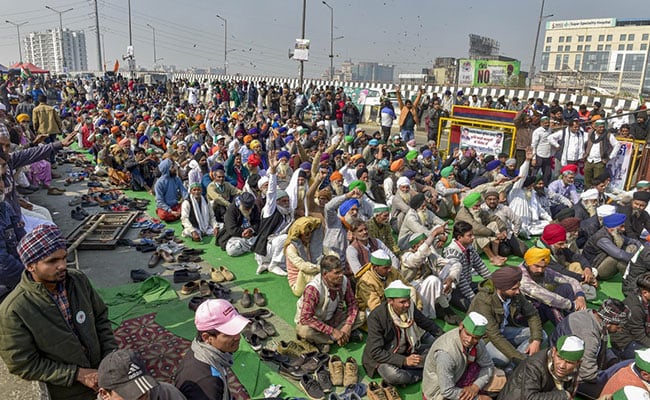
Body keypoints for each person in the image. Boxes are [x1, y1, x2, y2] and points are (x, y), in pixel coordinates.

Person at [0, 224, 117, 400]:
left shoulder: (77, 280)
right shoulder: (15, 309)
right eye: (52, 261)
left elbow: (100, 319)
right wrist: (77, 374)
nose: (62, 265)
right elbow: (22, 363)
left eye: (64, 258)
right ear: (31, 266)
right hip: (67, 389)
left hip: (103, 372)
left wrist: (109, 359)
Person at [362, 280, 444, 386]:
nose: (407, 305)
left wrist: (445, 339)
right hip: (386, 357)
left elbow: (427, 324)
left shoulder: (410, 307)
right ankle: (423, 372)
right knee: (393, 375)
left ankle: (416, 371)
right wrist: (404, 361)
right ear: (390, 301)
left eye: (408, 300)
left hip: (408, 350)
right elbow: (376, 352)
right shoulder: (376, 317)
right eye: (402, 302)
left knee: (438, 351)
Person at [550, 298, 631, 399]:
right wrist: (613, 374)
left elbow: (602, 348)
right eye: (619, 327)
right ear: (609, 323)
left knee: (621, 362)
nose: (620, 330)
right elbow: (588, 374)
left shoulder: (593, 316)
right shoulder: (588, 335)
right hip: (570, 376)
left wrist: (613, 362)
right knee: (618, 388)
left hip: (581, 365)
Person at [467, 266, 545, 371]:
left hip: (502, 330)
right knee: (503, 358)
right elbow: (494, 335)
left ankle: (513, 368)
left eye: (518, 287)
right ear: (501, 288)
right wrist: (520, 358)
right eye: (514, 289)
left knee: (541, 335)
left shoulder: (514, 293)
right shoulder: (484, 300)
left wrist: (536, 340)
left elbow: (532, 314)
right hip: (484, 338)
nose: (518, 292)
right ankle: (520, 363)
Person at [175, 299, 251, 400]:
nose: (238, 337)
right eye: (228, 334)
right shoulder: (208, 382)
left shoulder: (201, 349)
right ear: (206, 337)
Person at [422, 312, 503, 400]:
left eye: (475, 338)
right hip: (440, 392)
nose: (469, 340)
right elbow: (447, 391)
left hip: (462, 373)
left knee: (501, 379)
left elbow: (488, 365)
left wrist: (475, 387)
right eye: (467, 334)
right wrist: (477, 398)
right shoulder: (446, 354)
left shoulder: (478, 343)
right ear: (461, 326)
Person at [294, 255, 364, 352]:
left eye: (342, 271)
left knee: (362, 316)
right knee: (304, 331)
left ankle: (326, 340)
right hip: (316, 323)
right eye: (337, 273)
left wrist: (347, 326)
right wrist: (333, 331)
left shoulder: (344, 280)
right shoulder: (313, 288)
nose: (341, 275)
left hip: (334, 319)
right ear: (325, 274)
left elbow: (352, 303)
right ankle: (336, 338)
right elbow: (305, 318)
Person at [497, 335, 584, 400]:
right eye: (559, 358)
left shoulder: (575, 371)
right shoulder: (534, 365)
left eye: (569, 362)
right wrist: (564, 395)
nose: (562, 365)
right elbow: (529, 397)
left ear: (578, 363)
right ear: (553, 352)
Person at [401, 232, 462, 324]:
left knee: (450, 267)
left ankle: (440, 306)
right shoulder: (406, 256)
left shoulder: (430, 255)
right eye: (423, 243)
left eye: (427, 242)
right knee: (432, 280)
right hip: (413, 290)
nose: (427, 245)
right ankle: (445, 310)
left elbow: (454, 264)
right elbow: (416, 260)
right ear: (414, 247)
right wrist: (433, 234)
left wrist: (451, 278)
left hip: (429, 287)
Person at [518, 247, 587, 325]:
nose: (540, 270)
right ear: (528, 263)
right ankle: (566, 329)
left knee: (567, 287)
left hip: (540, 306)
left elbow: (570, 280)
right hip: (525, 316)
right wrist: (572, 305)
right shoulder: (521, 278)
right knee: (550, 305)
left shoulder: (544, 271)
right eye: (537, 266)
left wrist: (580, 296)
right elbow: (547, 298)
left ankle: (578, 319)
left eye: (543, 267)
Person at [443, 221, 492, 312]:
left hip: (468, 284)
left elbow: (480, 266)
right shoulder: (452, 253)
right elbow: (461, 281)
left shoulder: (469, 247)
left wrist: (492, 281)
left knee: (491, 288)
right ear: (459, 237)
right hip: (455, 289)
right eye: (469, 235)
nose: (473, 238)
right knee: (474, 308)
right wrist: (473, 298)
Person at [98, 349, 186, 400]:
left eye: (144, 396)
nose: (141, 397)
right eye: (132, 396)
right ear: (105, 394)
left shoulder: (167, 393)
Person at [355, 248, 421, 315]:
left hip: (393, 303)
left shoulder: (392, 271)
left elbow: (407, 286)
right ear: (375, 267)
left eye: (390, 266)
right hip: (373, 309)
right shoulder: (366, 281)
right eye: (386, 268)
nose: (389, 270)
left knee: (411, 290)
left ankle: (414, 316)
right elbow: (375, 306)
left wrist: (418, 307)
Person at [582, 213, 642, 280]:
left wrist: (642, 248)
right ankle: (632, 280)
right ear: (611, 229)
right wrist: (639, 259)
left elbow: (632, 241)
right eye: (621, 226)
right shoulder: (602, 238)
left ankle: (635, 273)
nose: (624, 229)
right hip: (596, 268)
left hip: (605, 261)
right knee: (618, 259)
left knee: (632, 247)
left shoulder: (615, 232)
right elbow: (619, 255)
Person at [612, 272, 650, 360]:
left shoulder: (645, 301)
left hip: (641, 333)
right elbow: (639, 336)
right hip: (625, 343)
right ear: (645, 292)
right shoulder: (634, 308)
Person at [284, 216, 324, 296]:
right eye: (306, 234)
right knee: (304, 271)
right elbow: (303, 267)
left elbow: (328, 251)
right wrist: (322, 268)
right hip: (298, 285)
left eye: (311, 233)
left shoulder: (310, 244)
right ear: (299, 235)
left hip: (315, 275)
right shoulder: (291, 249)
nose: (309, 236)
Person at [215, 192, 260, 256]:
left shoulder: (254, 207)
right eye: (245, 208)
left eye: (249, 208)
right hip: (235, 237)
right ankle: (253, 246)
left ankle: (250, 245)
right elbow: (231, 229)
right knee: (231, 250)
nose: (248, 210)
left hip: (251, 235)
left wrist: (251, 230)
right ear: (241, 204)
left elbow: (257, 222)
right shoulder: (232, 208)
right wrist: (244, 232)